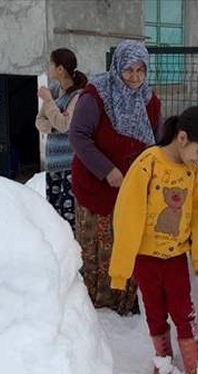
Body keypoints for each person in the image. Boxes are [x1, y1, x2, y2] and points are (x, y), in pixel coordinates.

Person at [109, 106, 198, 374]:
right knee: (155, 312)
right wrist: (121, 268)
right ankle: (163, 361)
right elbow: (128, 213)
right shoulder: (148, 163)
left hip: (175, 259)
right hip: (145, 260)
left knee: (184, 312)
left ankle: (192, 364)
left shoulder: (194, 174)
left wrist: (196, 257)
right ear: (182, 138)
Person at [68, 40, 161, 316]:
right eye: (128, 70)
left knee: (127, 243)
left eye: (140, 70)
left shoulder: (150, 100)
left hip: (131, 191)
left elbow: (155, 143)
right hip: (96, 188)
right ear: (117, 67)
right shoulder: (96, 95)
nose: (134, 77)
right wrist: (107, 170)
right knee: (97, 246)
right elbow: (78, 136)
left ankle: (124, 303)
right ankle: (97, 306)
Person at [35, 48, 88, 229]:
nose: (48, 67)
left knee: (68, 216)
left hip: (70, 163)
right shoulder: (54, 89)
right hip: (53, 163)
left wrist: (49, 103)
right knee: (53, 212)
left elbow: (66, 125)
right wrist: (56, 124)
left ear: (60, 69)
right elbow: (39, 121)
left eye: (51, 63)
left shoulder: (78, 95)